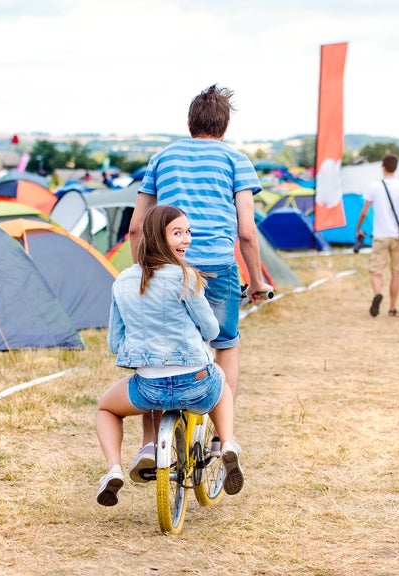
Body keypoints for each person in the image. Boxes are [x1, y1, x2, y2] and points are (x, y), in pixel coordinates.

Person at [127, 84, 270, 483]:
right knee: (225, 346)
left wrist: (143, 273)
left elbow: (138, 227)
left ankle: (151, 443)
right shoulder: (237, 161)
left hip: (167, 265)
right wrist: (256, 281)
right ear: (224, 125)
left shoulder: (162, 158)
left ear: (190, 122)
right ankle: (221, 440)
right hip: (220, 268)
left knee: (158, 347)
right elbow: (247, 232)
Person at [95, 205, 243, 506]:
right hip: (197, 382)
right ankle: (227, 443)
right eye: (177, 232)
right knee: (222, 383)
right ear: (159, 237)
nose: (186, 239)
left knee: (106, 410)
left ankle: (113, 468)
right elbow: (211, 329)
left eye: (188, 232)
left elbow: (114, 342)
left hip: (149, 388)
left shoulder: (123, 281)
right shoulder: (185, 277)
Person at [354, 154, 399, 317]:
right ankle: (392, 308)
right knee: (396, 273)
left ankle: (377, 294)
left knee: (376, 271)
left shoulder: (373, 186)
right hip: (398, 236)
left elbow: (364, 212)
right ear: (395, 168)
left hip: (380, 235)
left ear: (383, 167)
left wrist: (358, 228)